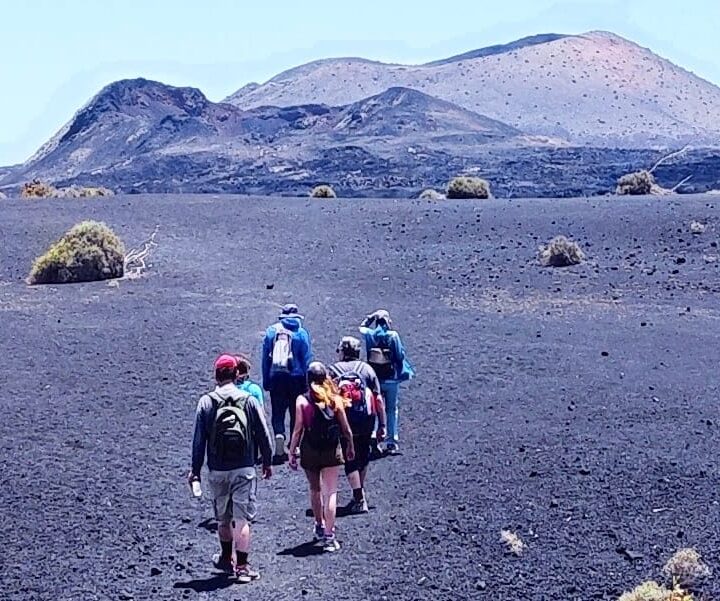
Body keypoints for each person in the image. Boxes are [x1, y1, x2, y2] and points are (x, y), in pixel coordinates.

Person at [189, 354, 273, 583]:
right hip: (244, 468)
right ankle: (243, 568)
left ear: (216, 375)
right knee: (242, 519)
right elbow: (263, 434)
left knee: (223, 519)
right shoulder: (248, 400)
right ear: (237, 374)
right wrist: (267, 461)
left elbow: (199, 441)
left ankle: (227, 558)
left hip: (217, 469)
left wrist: (195, 470)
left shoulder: (206, 402)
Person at [288, 362, 355, 553]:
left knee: (315, 489)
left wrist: (292, 452)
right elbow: (345, 428)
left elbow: (298, 430)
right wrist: (349, 445)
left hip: (310, 450)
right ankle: (329, 535)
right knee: (331, 492)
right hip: (331, 450)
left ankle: (319, 524)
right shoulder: (335, 398)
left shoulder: (302, 401)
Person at [329, 336, 387, 514]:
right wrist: (382, 424)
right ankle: (359, 490)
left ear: (343, 352)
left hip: (345, 420)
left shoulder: (333, 371)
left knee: (350, 457)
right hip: (366, 419)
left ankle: (359, 497)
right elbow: (378, 398)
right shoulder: (367, 369)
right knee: (363, 454)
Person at [262, 303, 313, 463]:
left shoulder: (271, 332)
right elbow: (306, 359)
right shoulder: (302, 333)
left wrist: (266, 379)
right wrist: (307, 382)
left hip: (277, 376)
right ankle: (294, 444)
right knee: (294, 411)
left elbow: (265, 359)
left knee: (277, 411)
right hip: (296, 378)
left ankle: (279, 435)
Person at [359, 309, 415, 455]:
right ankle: (391, 440)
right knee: (391, 409)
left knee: (376, 408)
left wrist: (370, 317)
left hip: (375, 379)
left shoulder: (370, 335)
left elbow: (361, 327)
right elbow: (400, 355)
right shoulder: (393, 336)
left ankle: (374, 436)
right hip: (391, 379)